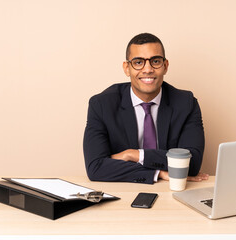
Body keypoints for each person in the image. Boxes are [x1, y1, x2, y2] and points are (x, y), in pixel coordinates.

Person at [83, 33, 208, 184]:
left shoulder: (186, 104)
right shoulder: (101, 105)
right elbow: (96, 168)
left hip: (170, 191)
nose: (147, 69)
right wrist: (158, 173)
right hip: (125, 192)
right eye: (138, 62)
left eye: (155, 61)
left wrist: (134, 155)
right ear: (127, 68)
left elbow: (191, 164)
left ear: (165, 66)